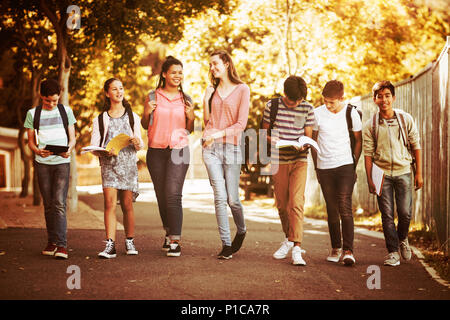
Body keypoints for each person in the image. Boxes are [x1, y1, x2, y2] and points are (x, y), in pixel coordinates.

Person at [363, 80, 423, 266]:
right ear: (374, 99)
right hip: (382, 175)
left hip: (404, 171)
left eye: (387, 96)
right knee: (387, 215)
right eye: (379, 96)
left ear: (393, 98)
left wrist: (419, 173)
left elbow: (416, 146)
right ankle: (392, 252)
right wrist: (370, 179)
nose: (384, 100)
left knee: (405, 213)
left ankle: (402, 239)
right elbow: (367, 154)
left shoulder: (405, 119)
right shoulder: (371, 125)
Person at [141, 56, 194, 257]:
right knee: (162, 196)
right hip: (155, 151)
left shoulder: (186, 99)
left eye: (180, 72)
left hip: (179, 150)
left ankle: (175, 240)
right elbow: (146, 125)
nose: (177, 76)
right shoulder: (153, 96)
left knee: (173, 194)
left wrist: (192, 118)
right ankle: (168, 231)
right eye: (173, 72)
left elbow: (189, 130)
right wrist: (146, 112)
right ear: (164, 74)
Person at [261, 75, 315, 266]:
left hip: (299, 160)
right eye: (293, 100)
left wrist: (304, 144)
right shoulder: (272, 106)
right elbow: (264, 133)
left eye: (299, 99)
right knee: (283, 205)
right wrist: (273, 141)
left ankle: (297, 249)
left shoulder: (307, 107)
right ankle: (289, 238)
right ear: (285, 94)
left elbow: (307, 136)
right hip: (279, 160)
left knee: (296, 202)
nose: (296, 103)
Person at [202, 50, 249, 260]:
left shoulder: (242, 89)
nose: (212, 68)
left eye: (215, 64)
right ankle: (226, 244)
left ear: (227, 63)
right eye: (210, 65)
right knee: (219, 197)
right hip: (210, 149)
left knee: (233, 200)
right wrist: (205, 101)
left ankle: (241, 229)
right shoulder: (211, 90)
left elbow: (241, 124)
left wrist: (219, 133)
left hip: (231, 148)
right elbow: (207, 121)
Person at [90, 78, 144, 259]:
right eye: (114, 89)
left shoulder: (132, 116)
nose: (119, 92)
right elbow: (93, 147)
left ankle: (130, 240)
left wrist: (137, 142)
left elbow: (140, 144)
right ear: (107, 93)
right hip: (109, 166)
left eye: (121, 88)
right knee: (109, 204)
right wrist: (104, 152)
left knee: (127, 205)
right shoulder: (100, 119)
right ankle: (110, 244)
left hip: (128, 165)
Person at [24, 79, 77, 259]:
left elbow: (72, 138)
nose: (52, 104)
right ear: (41, 96)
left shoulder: (65, 111)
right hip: (43, 163)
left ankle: (62, 245)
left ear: (59, 97)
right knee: (48, 205)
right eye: (48, 101)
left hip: (61, 163)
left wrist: (69, 150)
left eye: (55, 100)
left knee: (59, 203)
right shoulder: (33, 113)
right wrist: (37, 150)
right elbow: (31, 141)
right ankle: (51, 242)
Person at [311, 80, 362, 266]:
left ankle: (348, 250)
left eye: (331, 101)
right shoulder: (317, 114)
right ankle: (335, 247)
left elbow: (358, 140)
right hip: (324, 167)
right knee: (331, 208)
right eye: (325, 101)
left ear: (342, 98)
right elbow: (313, 141)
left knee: (344, 205)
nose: (328, 105)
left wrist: (353, 163)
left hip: (345, 165)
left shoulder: (351, 113)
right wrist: (317, 166)